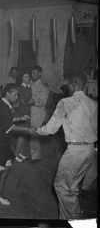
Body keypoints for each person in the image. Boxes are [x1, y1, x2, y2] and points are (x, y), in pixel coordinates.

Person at [28, 73, 98, 220]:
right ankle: (74, 216)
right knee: (72, 187)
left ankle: (74, 222)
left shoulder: (65, 102)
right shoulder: (94, 104)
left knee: (63, 188)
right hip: (90, 150)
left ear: (72, 84)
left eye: (68, 85)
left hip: (75, 152)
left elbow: (51, 129)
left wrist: (37, 131)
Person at [13, 71, 35, 162]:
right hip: (21, 112)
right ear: (21, 79)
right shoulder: (20, 88)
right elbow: (21, 101)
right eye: (25, 77)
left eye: (28, 77)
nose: (28, 78)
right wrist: (29, 102)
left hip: (27, 111)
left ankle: (20, 153)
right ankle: (16, 154)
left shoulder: (29, 87)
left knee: (24, 133)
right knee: (23, 133)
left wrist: (31, 102)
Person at [29, 65, 49, 162]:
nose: (32, 75)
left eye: (35, 73)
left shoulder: (42, 86)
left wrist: (33, 102)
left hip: (38, 112)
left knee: (34, 133)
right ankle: (34, 155)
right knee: (32, 133)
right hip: (32, 111)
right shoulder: (32, 83)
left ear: (40, 73)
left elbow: (43, 102)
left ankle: (36, 157)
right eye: (32, 73)